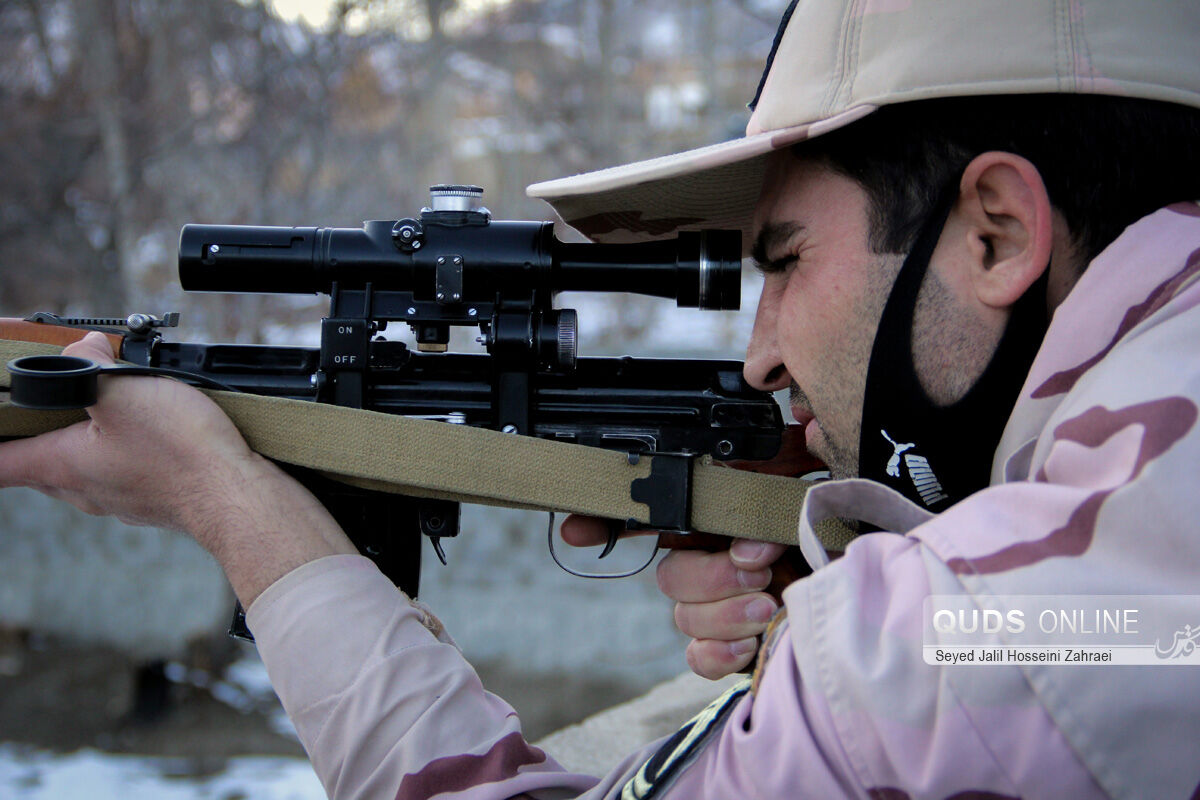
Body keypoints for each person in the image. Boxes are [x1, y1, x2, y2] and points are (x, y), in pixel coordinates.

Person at [3, 0, 1200, 797]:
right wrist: (864, 557)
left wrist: (231, 505)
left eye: (782, 263)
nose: (759, 358)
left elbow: (1041, 641)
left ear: (995, 231)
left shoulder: (964, 636)